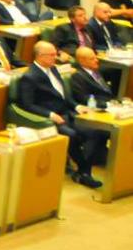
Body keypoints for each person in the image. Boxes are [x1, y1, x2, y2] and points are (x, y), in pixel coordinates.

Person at [17, 41, 106, 188]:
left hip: (67, 112)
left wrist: (77, 106)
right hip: (51, 117)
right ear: (40, 56)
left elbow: (64, 95)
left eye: (55, 54)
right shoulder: (30, 76)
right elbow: (27, 104)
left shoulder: (54, 70)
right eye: (52, 55)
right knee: (72, 134)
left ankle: (84, 170)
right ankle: (85, 172)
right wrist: (50, 114)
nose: (55, 57)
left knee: (95, 132)